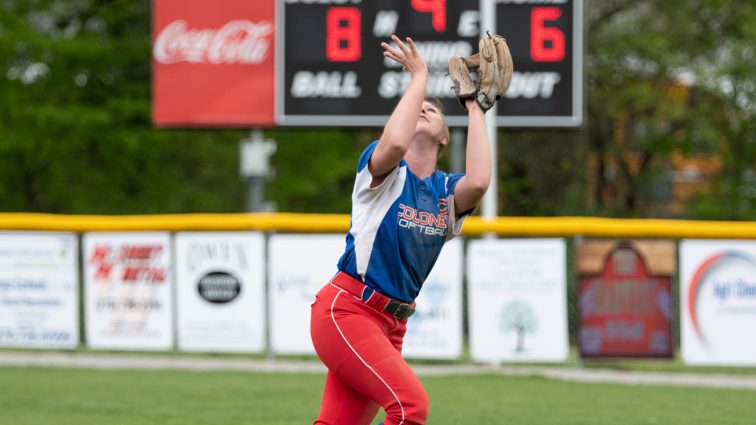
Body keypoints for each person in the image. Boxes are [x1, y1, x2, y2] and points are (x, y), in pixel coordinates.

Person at [310, 34, 492, 425]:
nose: (424, 108)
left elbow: (478, 182)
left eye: (433, 110)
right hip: (348, 310)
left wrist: (474, 108)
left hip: (392, 325)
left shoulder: (445, 192)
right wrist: (419, 77)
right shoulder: (384, 173)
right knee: (409, 408)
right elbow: (393, 143)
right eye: (417, 107)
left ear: (445, 136)